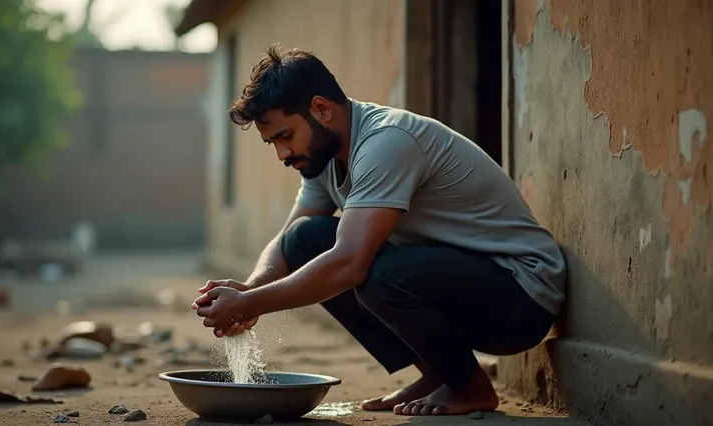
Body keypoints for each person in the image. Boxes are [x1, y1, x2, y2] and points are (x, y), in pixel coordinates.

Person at [192, 44, 566, 416]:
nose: (282, 154)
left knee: (376, 273)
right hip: (465, 283)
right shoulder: (323, 158)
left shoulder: (387, 141)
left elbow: (350, 264)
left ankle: (469, 387)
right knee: (307, 238)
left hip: (521, 296)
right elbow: (291, 240)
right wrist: (250, 290)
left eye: (286, 136)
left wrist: (251, 304)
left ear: (321, 109)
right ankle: (441, 373)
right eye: (273, 142)